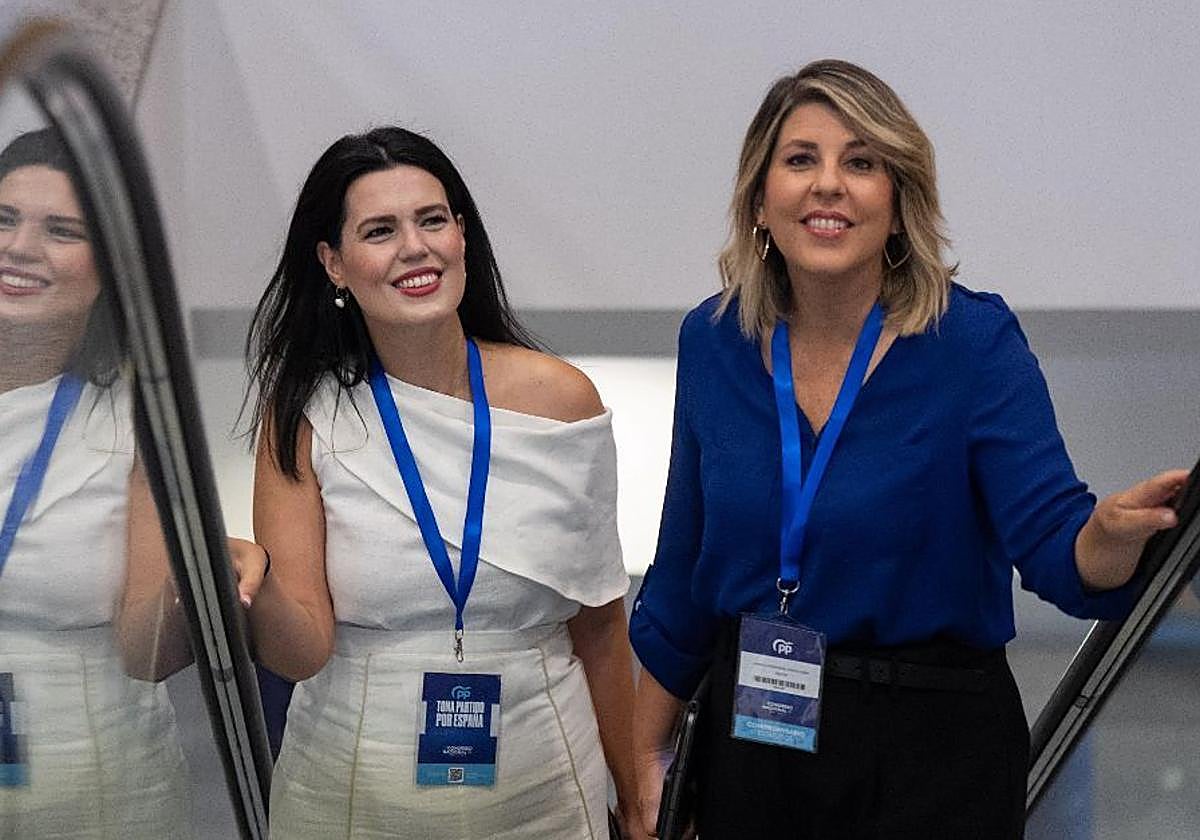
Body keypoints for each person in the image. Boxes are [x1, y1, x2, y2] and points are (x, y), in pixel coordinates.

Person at [629, 59, 1187, 839]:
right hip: (753, 745)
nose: (829, 184)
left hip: (932, 749)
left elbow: (1059, 552)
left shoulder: (972, 342)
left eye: (861, 162)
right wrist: (641, 760)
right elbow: (685, 575)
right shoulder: (715, 339)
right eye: (801, 160)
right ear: (761, 197)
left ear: (898, 204)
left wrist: (1112, 532)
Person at [240, 126, 645, 838]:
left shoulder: (562, 399)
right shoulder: (306, 412)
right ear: (333, 263)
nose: (414, 248)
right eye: (379, 230)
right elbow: (299, 649)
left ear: (462, 234)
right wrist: (252, 582)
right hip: (350, 789)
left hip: (544, 789)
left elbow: (601, 626)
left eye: (432, 220)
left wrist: (639, 796)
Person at [0, 128, 193, 836]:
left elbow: (150, 650)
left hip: (103, 792)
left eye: (61, 230)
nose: (20, 247)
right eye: (3, 218)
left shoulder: (144, 416)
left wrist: (199, 583)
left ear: (109, 264)